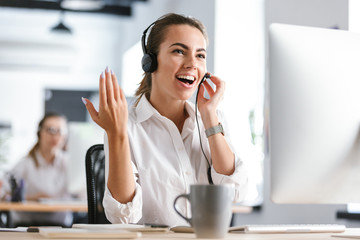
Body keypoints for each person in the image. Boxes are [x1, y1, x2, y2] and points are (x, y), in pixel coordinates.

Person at [82, 13, 248, 227]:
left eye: (200, 55)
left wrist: (208, 116)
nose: (192, 64)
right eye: (179, 51)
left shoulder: (212, 119)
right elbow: (123, 217)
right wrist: (117, 135)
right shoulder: (127, 125)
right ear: (150, 62)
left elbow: (236, 192)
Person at [6, 112, 72, 227]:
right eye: (51, 130)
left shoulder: (69, 164)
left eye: (60, 131)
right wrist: (32, 198)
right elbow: (4, 192)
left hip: (60, 227)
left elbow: (83, 194)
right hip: (25, 225)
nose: (55, 136)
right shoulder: (25, 163)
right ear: (39, 133)